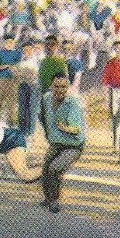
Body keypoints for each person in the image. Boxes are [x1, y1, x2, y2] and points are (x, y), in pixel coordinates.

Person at [39, 73, 86, 214]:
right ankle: (48, 198)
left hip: (73, 145)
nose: (60, 90)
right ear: (51, 87)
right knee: (46, 167)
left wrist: (64, 128)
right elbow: (43, 116)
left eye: (64, 87)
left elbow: (76, 129)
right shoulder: (46, 98)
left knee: (55, 168)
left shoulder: (72, 104)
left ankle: (54, 201)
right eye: (56, 86)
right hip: (56, 143)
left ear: (68, 87)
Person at [0, 33, 22, 125]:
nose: (9, 44)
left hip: (13, 79)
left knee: (12, 102)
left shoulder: (17, 53)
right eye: (7, 42)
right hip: (1, 79)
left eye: (11, 42)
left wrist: (15, 70)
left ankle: (11, 122)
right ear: (3, 43)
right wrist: (4, 66)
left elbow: (18, 66)